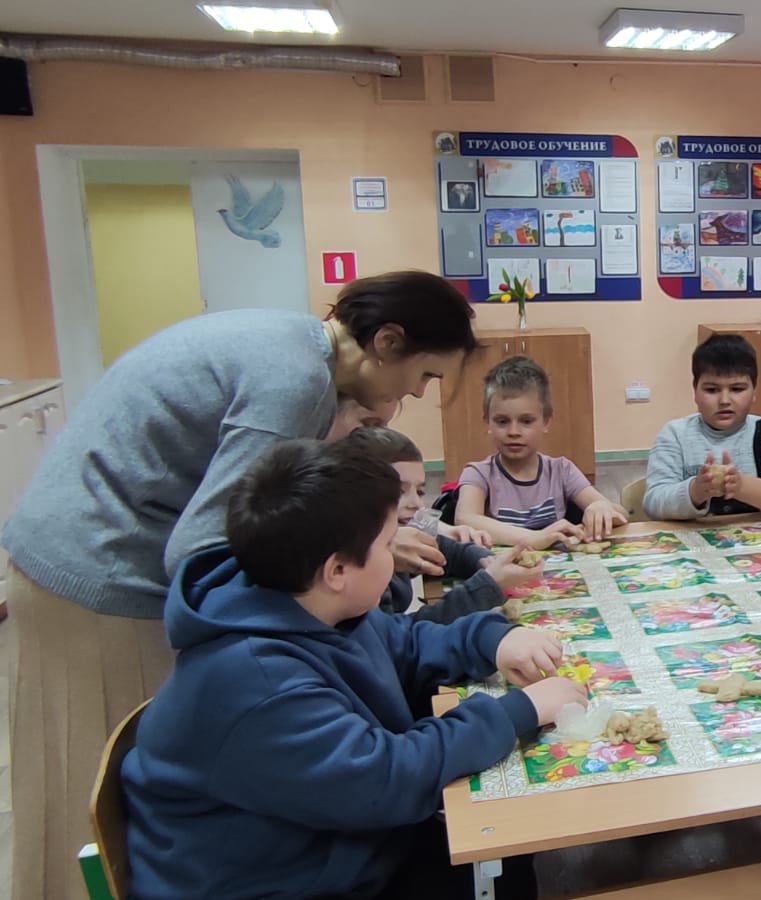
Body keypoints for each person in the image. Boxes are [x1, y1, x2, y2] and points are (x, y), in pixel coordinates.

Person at [1, 269, 479, 900]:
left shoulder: (297, 348)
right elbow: (201, 550)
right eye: (425, 375)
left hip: (82, 551)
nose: (415, 394)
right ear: (387, 342)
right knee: (99, 792)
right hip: (96, 570)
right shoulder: (296, 379)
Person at [121, 440, 583, 899]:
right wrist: (516, 711)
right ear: (337, 571)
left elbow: (404, 642)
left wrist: (492, 638)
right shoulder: (257, 682)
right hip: (285, 879)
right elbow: (386, 779)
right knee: (497, 853)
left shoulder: (305, 600)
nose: (395, 556)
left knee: (506, 850)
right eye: (387, 544)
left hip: (330, 839)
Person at [340, 426, 543, 623]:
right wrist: (487, 585)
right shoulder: (360, 568)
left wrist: (485, 561)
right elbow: (401, 636)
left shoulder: (403, 535)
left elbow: (451, 552)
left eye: (420, 492)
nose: (417, 504)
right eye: (399, 492)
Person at [454, 355, 628, 546]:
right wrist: (534, 538)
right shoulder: (479, 473)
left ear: (546, 421)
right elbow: (465, 519)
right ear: (488, 422)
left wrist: (601, 507)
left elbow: (621, 514)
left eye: (526, 421)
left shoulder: (561, 470)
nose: (513, 432)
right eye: (502, 421)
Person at [643, 333, 761, 519]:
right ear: (695, 391)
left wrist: (741, 486)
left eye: (737, 389)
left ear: (754, 391)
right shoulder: (674, 435)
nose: (724, 400)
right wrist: (695, 491)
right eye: (712, 390)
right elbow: (653, 503)